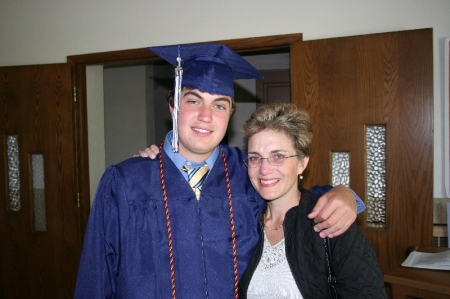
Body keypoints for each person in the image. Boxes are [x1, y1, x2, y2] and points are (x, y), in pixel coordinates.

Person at [75, 43, 364, 298]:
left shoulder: (248, 172)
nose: (205, 116)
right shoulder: (125, 184)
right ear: (173, 107)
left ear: (229, 115)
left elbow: (298, 200)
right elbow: (96, 280)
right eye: (193, 100)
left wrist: (345, 194)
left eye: (219, 105)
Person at [238, 102, 387, 298]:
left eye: (278, 156)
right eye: (255, 158)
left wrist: (346, 193)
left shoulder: (332, 222)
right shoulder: (243, 225)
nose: (264, 170)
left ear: (302, 163)